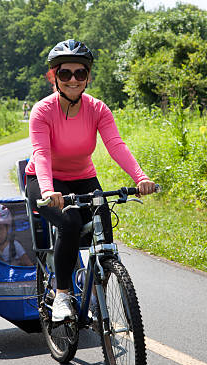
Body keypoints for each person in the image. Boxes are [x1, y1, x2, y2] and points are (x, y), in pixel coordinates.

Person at [24, 39, 156, 322]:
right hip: (44, 181)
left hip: (83, 177)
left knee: (103, 227)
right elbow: (42, 154)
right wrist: (48, 190)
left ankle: (97, 296)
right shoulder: (43, 111)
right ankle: (61, 294)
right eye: (65, 74)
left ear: (88, 77)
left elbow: (116, 146)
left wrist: (141, 178)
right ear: (54, 77)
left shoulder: (97, 109)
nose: (73, 80)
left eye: (80, 73)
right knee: (70, 222)